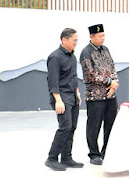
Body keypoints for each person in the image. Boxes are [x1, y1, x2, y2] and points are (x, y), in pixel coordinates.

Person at [80, 24, 119, 165]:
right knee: (94, 126)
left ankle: (107, 151)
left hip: (110, 95)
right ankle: (94, 154)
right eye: (100, 36)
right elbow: (90, 75)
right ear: (91, 37)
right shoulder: (86, 52)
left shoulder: (106, 50)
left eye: (103, 36)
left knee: (111, 124)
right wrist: (110, 82)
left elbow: (112, 67)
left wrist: (114, 83)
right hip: (95, 97)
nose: (103, 38)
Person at [45, 28, 84, 171]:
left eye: (77, 40)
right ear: (64, 40)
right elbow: (53, 80)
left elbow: (73, 77)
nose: (76, 43)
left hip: (72, 96)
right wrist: (58, 100)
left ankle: (66, 158)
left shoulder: (72, 57)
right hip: (61, 97)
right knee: (65, 127)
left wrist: (77, 93)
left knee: (72, 127)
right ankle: (52, 158)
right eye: (74, 40)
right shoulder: (55, 57)